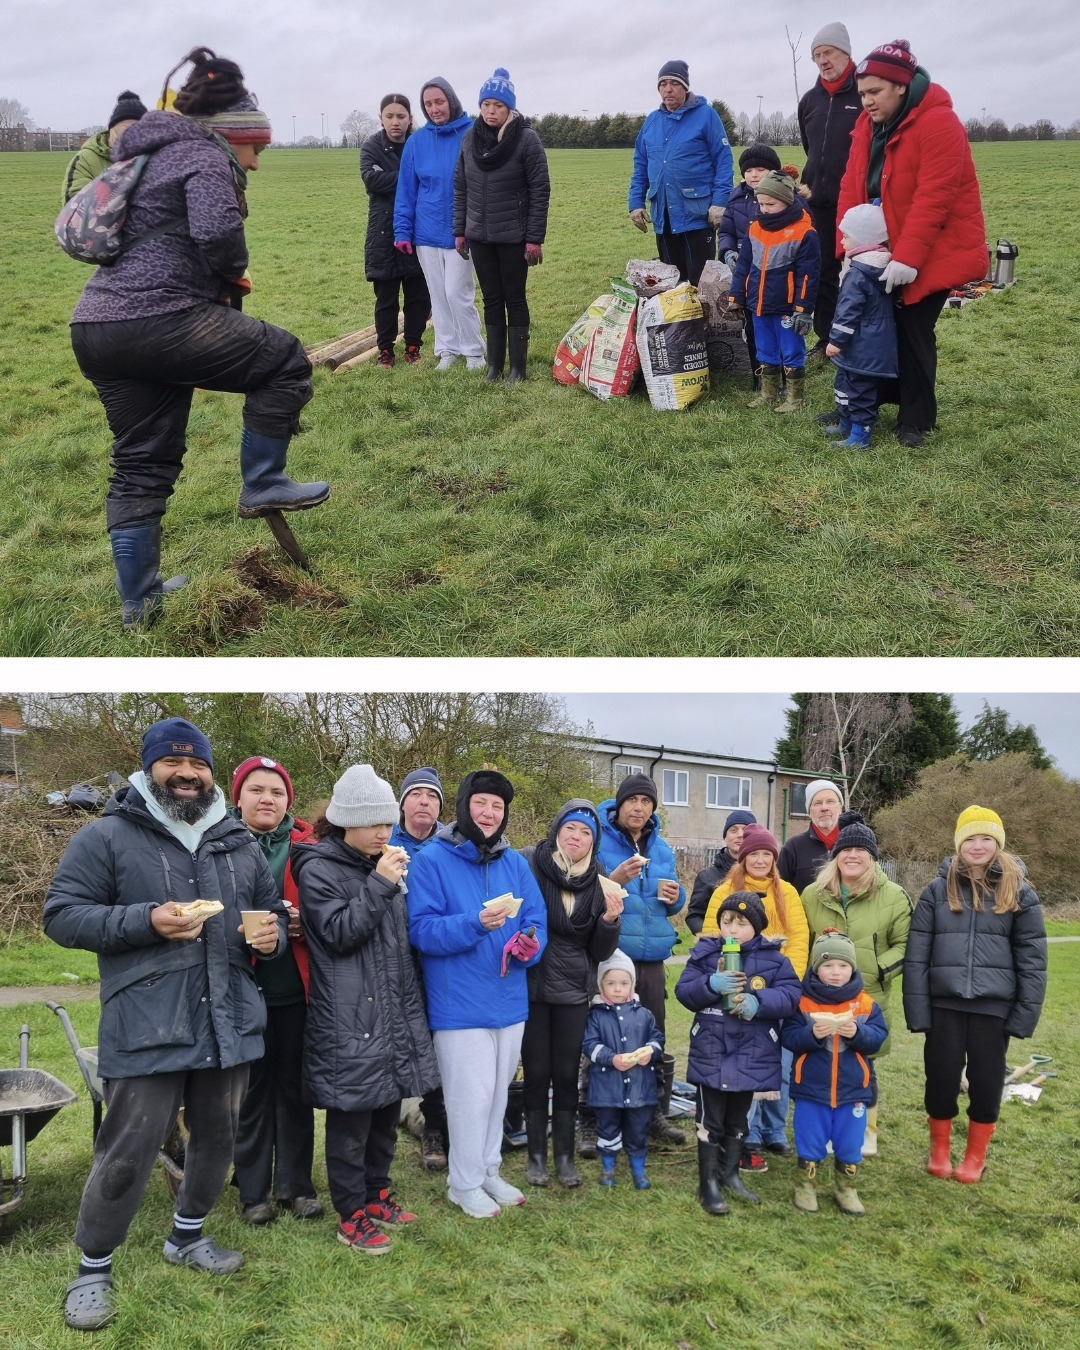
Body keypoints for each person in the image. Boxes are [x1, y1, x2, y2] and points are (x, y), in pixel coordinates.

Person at [69, 46, 328, 633]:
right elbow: (217, 233)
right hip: (158, 318)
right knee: (285, 360)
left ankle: (139, 602)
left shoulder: (148, 156)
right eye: (257, 149)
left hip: (97, 326)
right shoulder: (203, 153)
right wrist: (234, 272)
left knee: (141, 461)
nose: (257, 163)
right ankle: (263, 483)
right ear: (232, 134)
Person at [42, 717, 287, 1332]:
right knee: (128, 1148)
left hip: (229, 1018)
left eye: (198, 764)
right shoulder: (108, 835)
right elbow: (62, 916)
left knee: (218, 1138)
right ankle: (93, 1266)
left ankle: (187, 1234)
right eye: (173, 763)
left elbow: (269, 918)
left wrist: (271, 938)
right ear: (149, 769)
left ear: (211, 773)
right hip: (147, 1022)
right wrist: (146, 921)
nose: (187, 774)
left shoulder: (238, 842)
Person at [289, 765, 440, 1254]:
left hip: (391, 1011)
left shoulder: (381, 863)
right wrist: (381, 883)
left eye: (387, 821)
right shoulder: (317, 867)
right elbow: (339, 933)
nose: (384, 831)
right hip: (349, 1017)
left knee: (384, 1114)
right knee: (351, 1121)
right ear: (345, 821)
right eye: (373, 822)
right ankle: (350, 1213)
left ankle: (377, 1195)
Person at [407, 769, 547, 1218]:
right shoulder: (432, 860)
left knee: (498, 1095)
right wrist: (474, 923)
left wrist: (530, 945)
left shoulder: (515, 863)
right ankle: (462, 1183)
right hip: (459, 1005)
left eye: (497, 806)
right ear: (464, 806)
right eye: (480, 803)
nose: (489, 813)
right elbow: (421, 930)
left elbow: (537, 920)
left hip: (509, 1002)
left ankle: (488, 1170)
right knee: (469, 1099)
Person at [837, 38, 987, 447]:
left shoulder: (940, 123)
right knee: (874, 328)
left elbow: (934, 197)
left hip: (935, 247)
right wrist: (846, 245)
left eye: (875, 91)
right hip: (879, 248)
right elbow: (852, 185)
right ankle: (864, 405)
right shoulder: (866, 127)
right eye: (862, 93)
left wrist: (907, 259)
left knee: (914, 329)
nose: (866, 101)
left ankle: (916, 418)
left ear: (901, 86)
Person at [903, 806, 1047, 1185]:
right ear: (958, 844)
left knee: (986, 1083)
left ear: (998, 844)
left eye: (986, 838)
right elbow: (917, 955)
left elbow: (1032, 959)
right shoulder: (936, 891)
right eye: (970, 839)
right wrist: (918, 1010)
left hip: (993, 1009)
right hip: (944, 1005)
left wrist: (1024, 1015)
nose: (978, 846)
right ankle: (939, 1151)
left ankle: (975, 1156)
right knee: (940, 1079)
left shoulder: (1020, 892)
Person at [227, 755, 321, 1224]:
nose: (267, 799)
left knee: (296, 1089)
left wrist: (308, 923)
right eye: (257, 790)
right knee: (251, 1092)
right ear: (238, 797)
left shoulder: (309, 848)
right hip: (242, 991)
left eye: (277, 792)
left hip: (296, 990)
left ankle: (296, 1185)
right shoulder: (219, 846)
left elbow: (332, 906)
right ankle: (252, 1191)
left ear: (288, 801)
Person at [676, 893, 802, 1214]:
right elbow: (684, 991)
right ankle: (707, 1182)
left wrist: (759, 1002)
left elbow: (790, 995)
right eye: (727, 921)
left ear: (757, 927)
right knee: (710, 1119)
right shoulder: (706, 954)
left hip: (752, 1052)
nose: (732, 929)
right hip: (712, 1048)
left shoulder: (775, 960)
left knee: (739, 1118)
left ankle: (730, 1174)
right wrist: (710, 984)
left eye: (741, 923)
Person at [519, 800, 621, 1187]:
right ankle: (536, 1158)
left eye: (585, 832)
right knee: (535, 1074)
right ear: (557, 830)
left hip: (574, 991)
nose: (576, 837)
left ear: (594, 841)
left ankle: (564, 1157)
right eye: (570, 828)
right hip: (532, 985)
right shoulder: (531, 863)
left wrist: (609, 920)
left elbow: (600, 951)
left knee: (565, 1075)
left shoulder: (600, 879)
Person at [800, 816, 911, 1156]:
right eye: (845, 849)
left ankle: (865, 1131)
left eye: (861, 850)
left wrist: (876, 969)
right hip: (819, 998)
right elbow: (802, 943)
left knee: (863, 1067)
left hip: (868, 997)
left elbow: (905, 945)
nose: (852, 856)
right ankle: (824, 1130)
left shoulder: (894, 896)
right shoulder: (812, 895)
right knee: (822, 1065)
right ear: (835, 855)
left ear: (872, 857)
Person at [699, 824, 809, 1164]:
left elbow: (799, 938)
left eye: (766, 854)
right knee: (743, 1066)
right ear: (743, 857)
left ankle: (774, 1129)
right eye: (754, 854)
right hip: (735, 991)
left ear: (774, 859)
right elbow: (711, 937)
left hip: (774, 989)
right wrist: (729, 983)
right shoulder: (724, 891)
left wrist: (786, 983)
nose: (760, 860)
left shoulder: (787, 892)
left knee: (779, 1065)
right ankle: (746, 1132)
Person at [595, 773, 687, 1147]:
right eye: (632, 800)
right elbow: (586, 892)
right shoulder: (598, 839)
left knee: (651, 1035)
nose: (638, 807)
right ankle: (600, 1115)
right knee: (606, 1035)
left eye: (646, 801)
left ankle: (654, 1114)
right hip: (614, 953)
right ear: (619, 805)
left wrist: (677, 897)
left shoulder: (661, 848)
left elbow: (673, 901)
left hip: (651, 958)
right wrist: (615, 878)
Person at [453, 68, 551, 383]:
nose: (491, 111)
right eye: (486, 105)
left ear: (509, 108)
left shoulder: (526, 139)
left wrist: (534, 238)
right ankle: (494, 366)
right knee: (491, 299)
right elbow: (461, 187)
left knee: (514, 298)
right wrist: (460, 230)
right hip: (479, 236)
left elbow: (539, 189)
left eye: (498, 105)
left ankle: (518, 369)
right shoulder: (470, 139)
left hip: (513, 236)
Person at [781, 930, 888, 1215]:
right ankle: (805, 1184)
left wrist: (858, 1032)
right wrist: (812, 1034)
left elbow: (878, 1037)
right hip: (810, 1088)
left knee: (850, 1141)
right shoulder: (802, 1002)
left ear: (852, 968)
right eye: (828, 965)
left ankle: (846, 1187)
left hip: (852, 1089)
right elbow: (789, 1037)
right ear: (816, 967)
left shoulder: (865, 1003)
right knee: (810, 1138)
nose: (836, 972)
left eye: (843, 965)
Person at [394, 78, 485, 370]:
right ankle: (447, 349)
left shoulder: (473, 133)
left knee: (457, 293)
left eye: (439, 102)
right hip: (426, 231)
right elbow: (406, 190)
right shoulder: (416, 142)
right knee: (437, 294)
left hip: (462, 231)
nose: (434, 109)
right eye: (428, 104)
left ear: (451, 101)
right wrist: (402, 230)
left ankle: (474, 351)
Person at [388, 766, 450, 1170]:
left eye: (432, 796)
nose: (424, 801)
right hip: (393, 958)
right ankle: (384, 1125)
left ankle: (434, 1128)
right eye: (416, 794)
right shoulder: (384, 842)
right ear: (402, 803)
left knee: (437, 1047)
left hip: (440, 958)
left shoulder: (451, 845)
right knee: (396, 1044)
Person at [627, 59, 734, 285]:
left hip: (698, 216)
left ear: (685, 87)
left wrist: (720, 202)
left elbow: (723, 161)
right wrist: (635, 202)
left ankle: (701, 310)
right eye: (663, 84)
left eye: (674, 83)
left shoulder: (706, 116)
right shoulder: (652, 121)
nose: (668, 89)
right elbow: (641, 165)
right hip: (664, 216)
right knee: (670, 283)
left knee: (701, 284)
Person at [728, 170, 819, 413]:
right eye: (761, 204)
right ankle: (768, 392)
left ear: (787, 201)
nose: (765, 209)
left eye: (771, 204)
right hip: (758, 305)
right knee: (764, 348)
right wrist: (736, 296)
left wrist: (803, 309)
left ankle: (795, 398)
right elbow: (744, 265)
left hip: (787, 307)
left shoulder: (804, 233)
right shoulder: (755, 228)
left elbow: (808, 276)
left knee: (792, 350)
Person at [797, 23, 863, 356]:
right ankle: (826, 336)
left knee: (863, 271)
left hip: (858, 202)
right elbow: (810, 148)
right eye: (817, 55)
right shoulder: (810, 101)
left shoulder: (864, 94)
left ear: (846, 53)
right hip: (819, 201)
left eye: (828, 52)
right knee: (823, 271)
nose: (823, 60)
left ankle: (862, 338)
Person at [361, 94, 432, 368]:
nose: (395, 121)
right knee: (386, 298)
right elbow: (372, 180)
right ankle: (385, 351)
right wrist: (411, 176)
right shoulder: (371, 147)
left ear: (410, 118)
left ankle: (413, 346)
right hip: (383, 232)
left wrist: (392, 177)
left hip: (418, 230)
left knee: (418, 296)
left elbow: (430, 179)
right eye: (389, 116)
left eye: (401, 116)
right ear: (381, 118)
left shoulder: (420, 144)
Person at [582, 951, 663, 1189]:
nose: (618, 989)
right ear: (601, 986)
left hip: (639, 1088)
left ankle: (639, 1169)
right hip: (606, 1088)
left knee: (638, 1128)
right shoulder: (595, 1015)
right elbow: (590, 1045)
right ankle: (608, 1168)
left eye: (624, 983)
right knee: (607, 1127)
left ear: (632, 985)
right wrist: (611, 1058)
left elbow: (657, 1039)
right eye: (611, 983)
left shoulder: (644, 1014)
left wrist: (650, 1052)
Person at [823, 203, 898, 449]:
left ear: (862, 239)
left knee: (860, 390)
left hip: (861, 345)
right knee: (846, 383)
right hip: (870, 344)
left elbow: (848, 311)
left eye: (846, 236)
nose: (842, 241)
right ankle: (845, 422)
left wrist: (836, 341)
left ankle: (860, 435)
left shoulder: (857, 274)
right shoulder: (882, 266)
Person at [717, 146, 782, 388]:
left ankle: (784, 375)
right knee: (753, 326)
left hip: (776, 274)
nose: (754, 174)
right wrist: (728, 251)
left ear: (773, 171)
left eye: (761, 169)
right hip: (746, 275)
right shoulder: (736, 200)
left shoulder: (785, 198)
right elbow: (726, 232)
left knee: (778, 327)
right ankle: (760, 378)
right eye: (749, 170)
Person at [62, 90, 148, 203]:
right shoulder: (85, 159)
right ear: (110, 128)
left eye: (138, 131)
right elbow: (74, 203)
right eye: (124, 130)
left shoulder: (152, 157)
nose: (130, 137)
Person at [685, 808, 757, 935]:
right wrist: (715, 938)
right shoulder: (707, 876)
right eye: (733, 830)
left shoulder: (764, 876)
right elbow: (694, 916)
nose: (740, 835)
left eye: (746, 830)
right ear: (725, 836)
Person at [778, 779, 845, 894]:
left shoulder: (854, 845)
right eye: (817, 803)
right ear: (809, 811)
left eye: (830, 801)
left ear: (840, 808)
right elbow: (780, 891)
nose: (824, 808)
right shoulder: (793, 847)